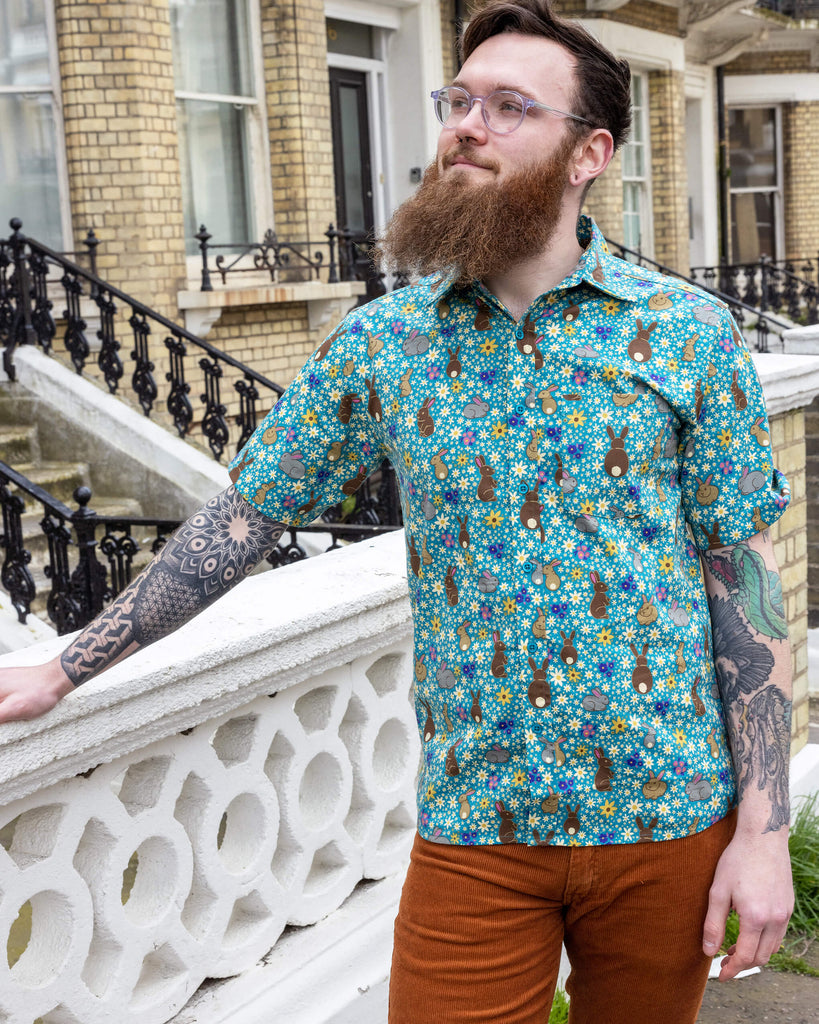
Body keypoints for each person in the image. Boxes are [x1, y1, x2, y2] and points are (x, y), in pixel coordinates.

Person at [0, 1, 794, 1021]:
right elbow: (243, 521)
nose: (467, 124)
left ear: (590, 152)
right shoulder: (386, 343)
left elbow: (745, 574)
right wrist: (68, 665)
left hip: (666, 820)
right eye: (458, 100)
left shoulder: (687, 335)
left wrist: (763, 829)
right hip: (476, 834)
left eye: (510, 107)